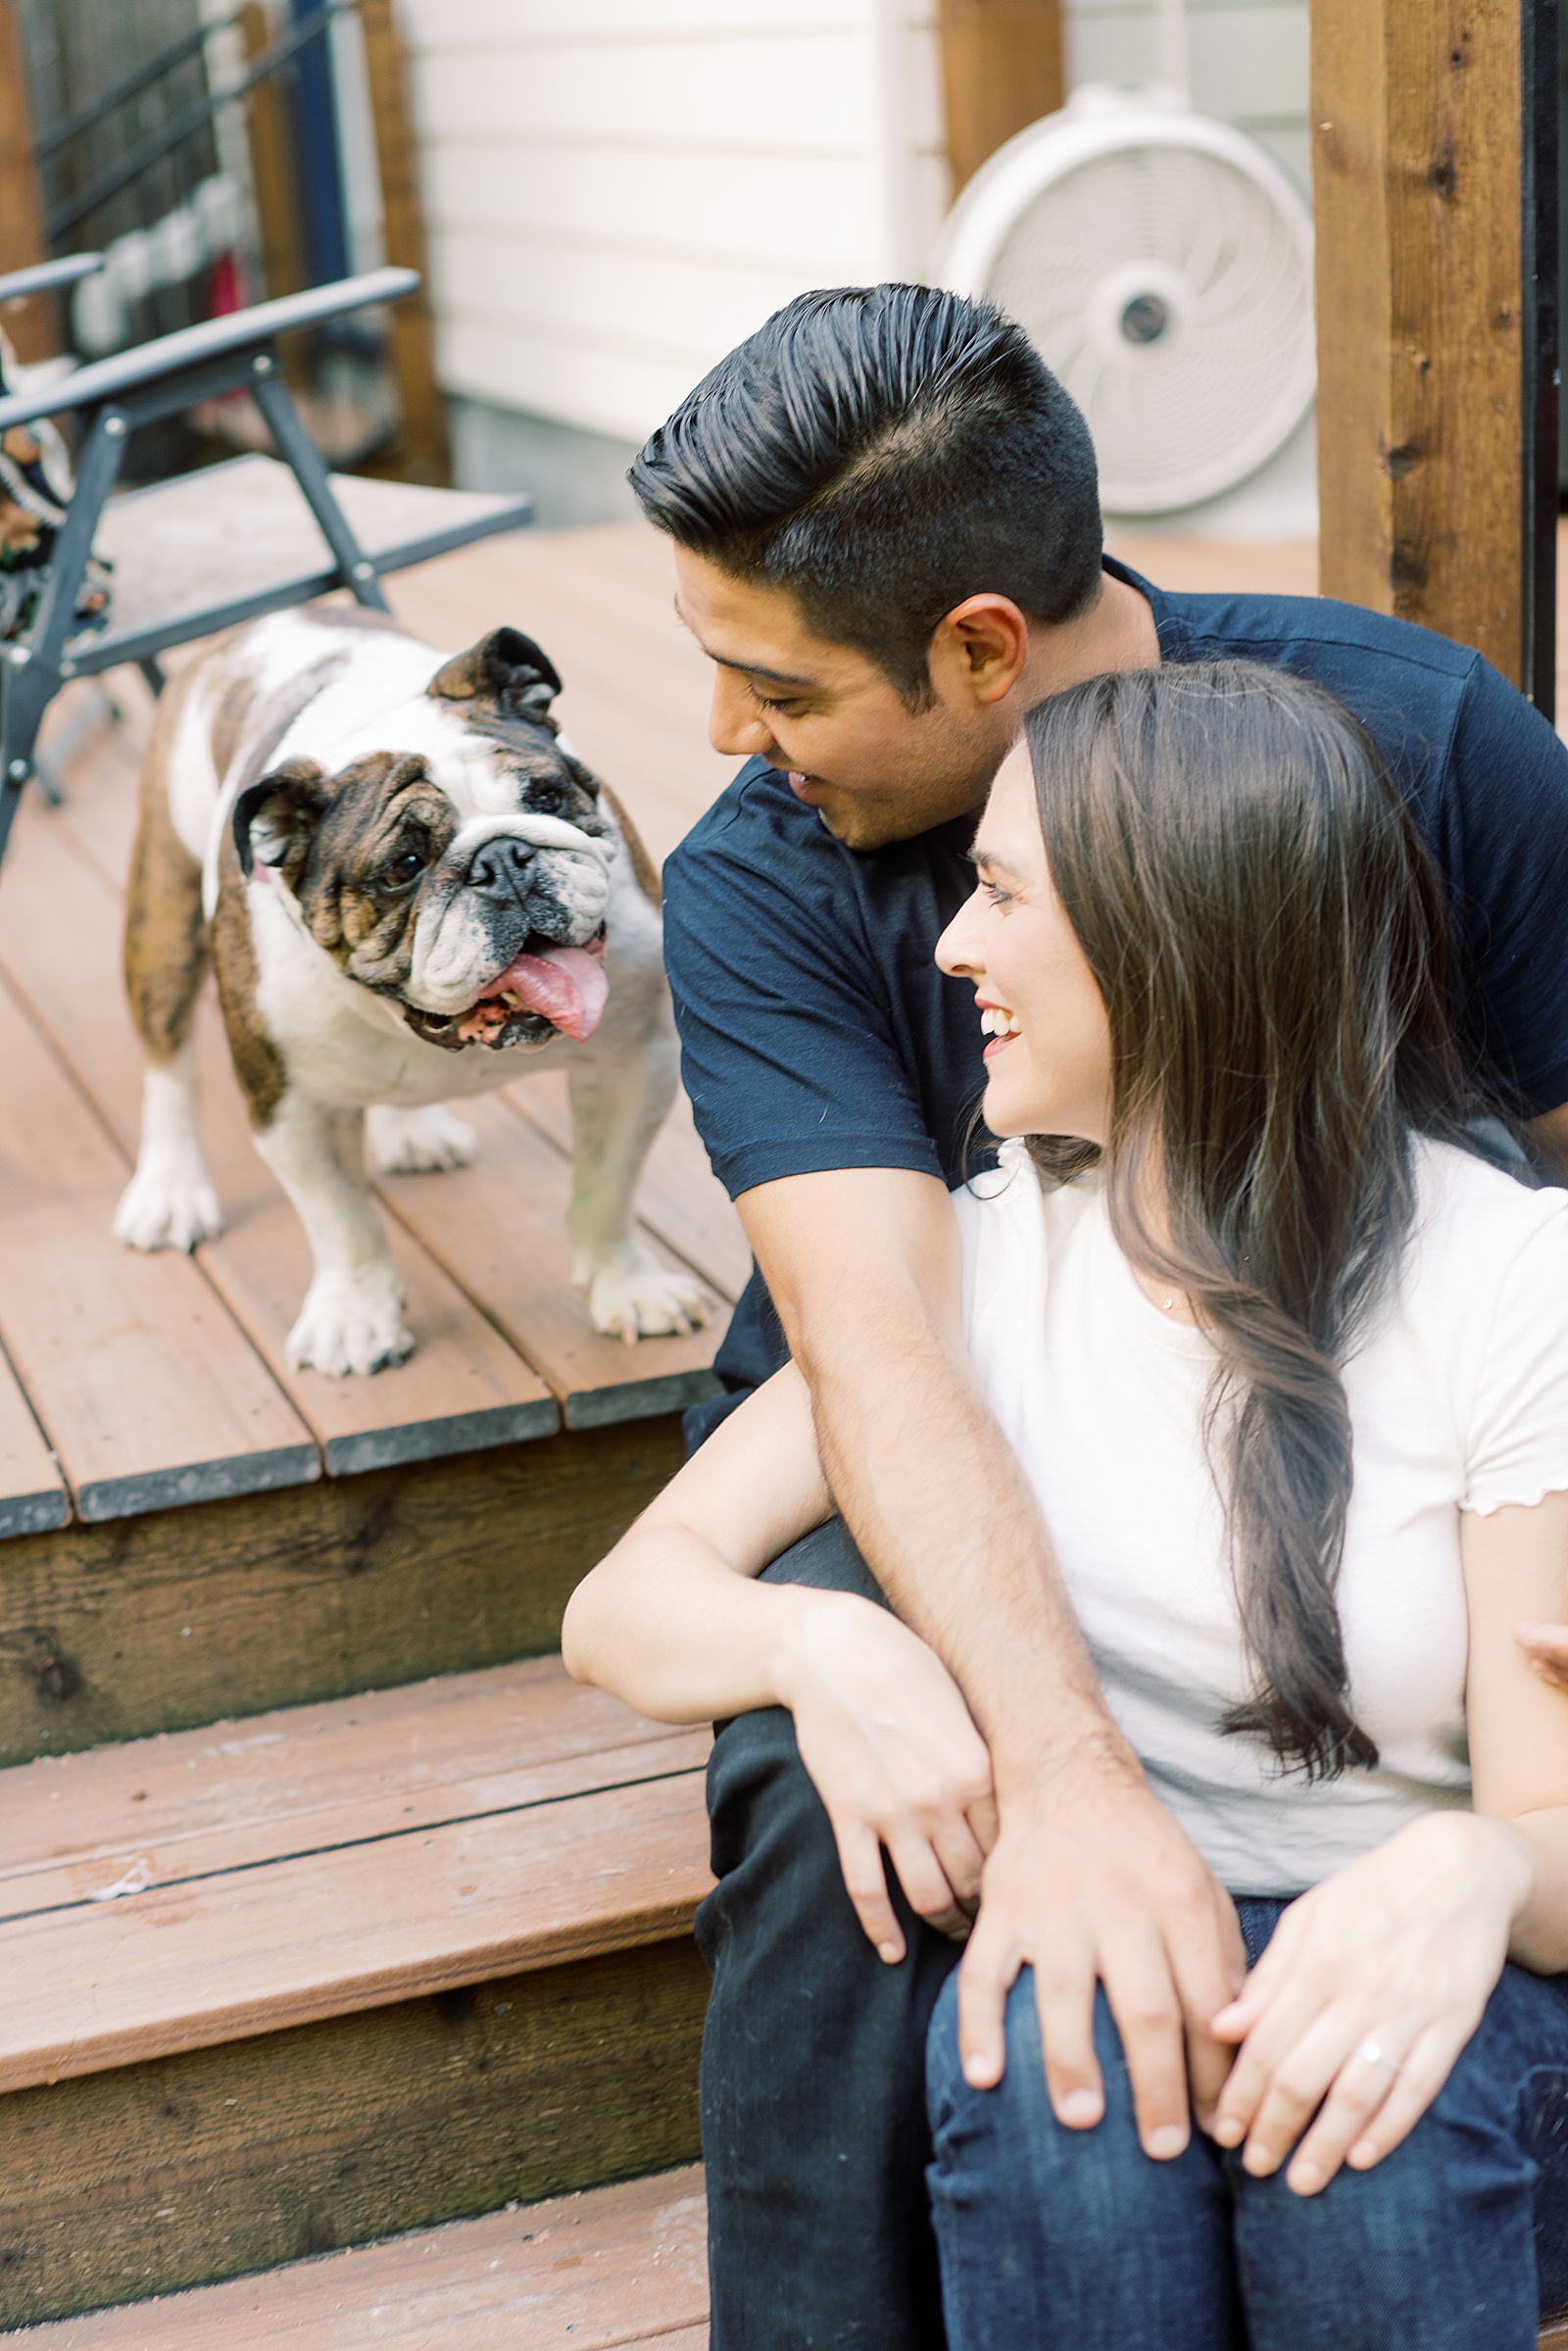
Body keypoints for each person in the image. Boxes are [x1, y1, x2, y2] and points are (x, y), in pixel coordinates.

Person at [626, 283, 1568, 2347]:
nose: (725, 743)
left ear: (978, 649)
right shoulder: (764, 876)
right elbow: (875, 1343)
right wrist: (1039, 1766)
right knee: (836, 1776)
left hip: (1367, 1362)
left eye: (771, 687)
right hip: (908, 1345)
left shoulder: (1415, 742)